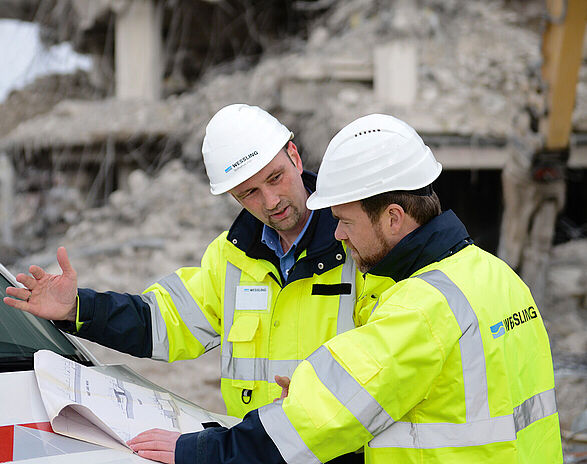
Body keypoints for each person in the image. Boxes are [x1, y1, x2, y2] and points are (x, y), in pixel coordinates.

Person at [129, 114, 562, 463]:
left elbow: (322, 418)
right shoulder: (497, 276)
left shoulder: (420, 308)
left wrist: (198, 451)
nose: (336, 234)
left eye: (346, 221)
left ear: (393, 218)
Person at [4, 104, 371, 447]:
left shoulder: (360, 242)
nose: (271, 201)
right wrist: (77, 308)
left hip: (340, 449)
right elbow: (161, 321)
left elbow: (391, 354)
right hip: (256, 450)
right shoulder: (230, 257)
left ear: (294, 156)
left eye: (275, 178)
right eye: (250, 193)